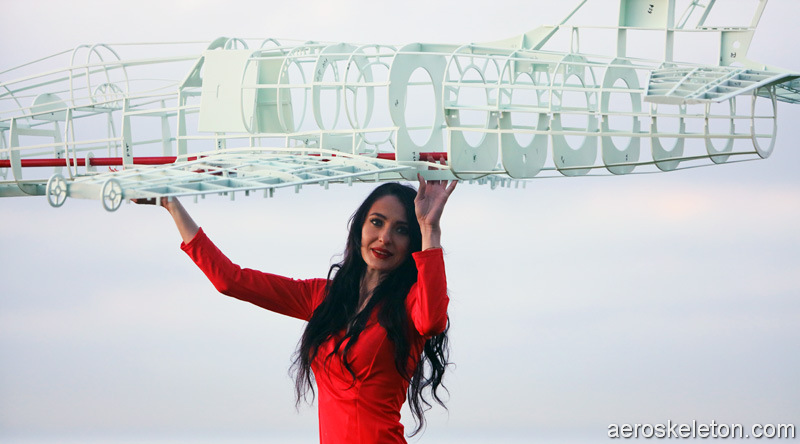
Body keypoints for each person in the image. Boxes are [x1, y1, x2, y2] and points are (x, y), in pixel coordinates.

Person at [138, 175, 456, 444]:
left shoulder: (410, 303)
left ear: (412, 241)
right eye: (377, 222)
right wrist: (171, 204)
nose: (384, 237)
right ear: (360, 226)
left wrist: (430, 229)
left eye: (401, 230)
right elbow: (230, 280)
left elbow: (432, 321)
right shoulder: (323, 298)